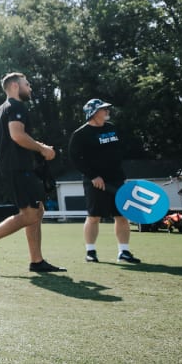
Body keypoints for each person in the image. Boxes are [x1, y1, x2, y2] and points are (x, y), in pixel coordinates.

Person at [0, 72, 65, 273]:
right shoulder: (16, 107)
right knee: (31, 214)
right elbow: (17, 135)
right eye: (27, 84)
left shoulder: (3, 108)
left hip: (16, 166)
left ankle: (37, 261)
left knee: (37, 210)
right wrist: (42, 149)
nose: (30, 88)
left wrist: (40, 146)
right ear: (15, 86)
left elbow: (17, 136)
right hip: (16, 167)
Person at [69, 99, 140, 264]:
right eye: (103, 109)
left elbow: (118, 151)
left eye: (107, 108)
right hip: (94, 181)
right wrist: (93, 176)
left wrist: (121, 175)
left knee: (121, 215)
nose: (107, 111)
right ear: (93, 113)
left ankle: (124, 252)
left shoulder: (112, 128)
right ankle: (90, 252)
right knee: (94, 216)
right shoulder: (80, 134)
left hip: (116, 179)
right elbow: (75, 159)